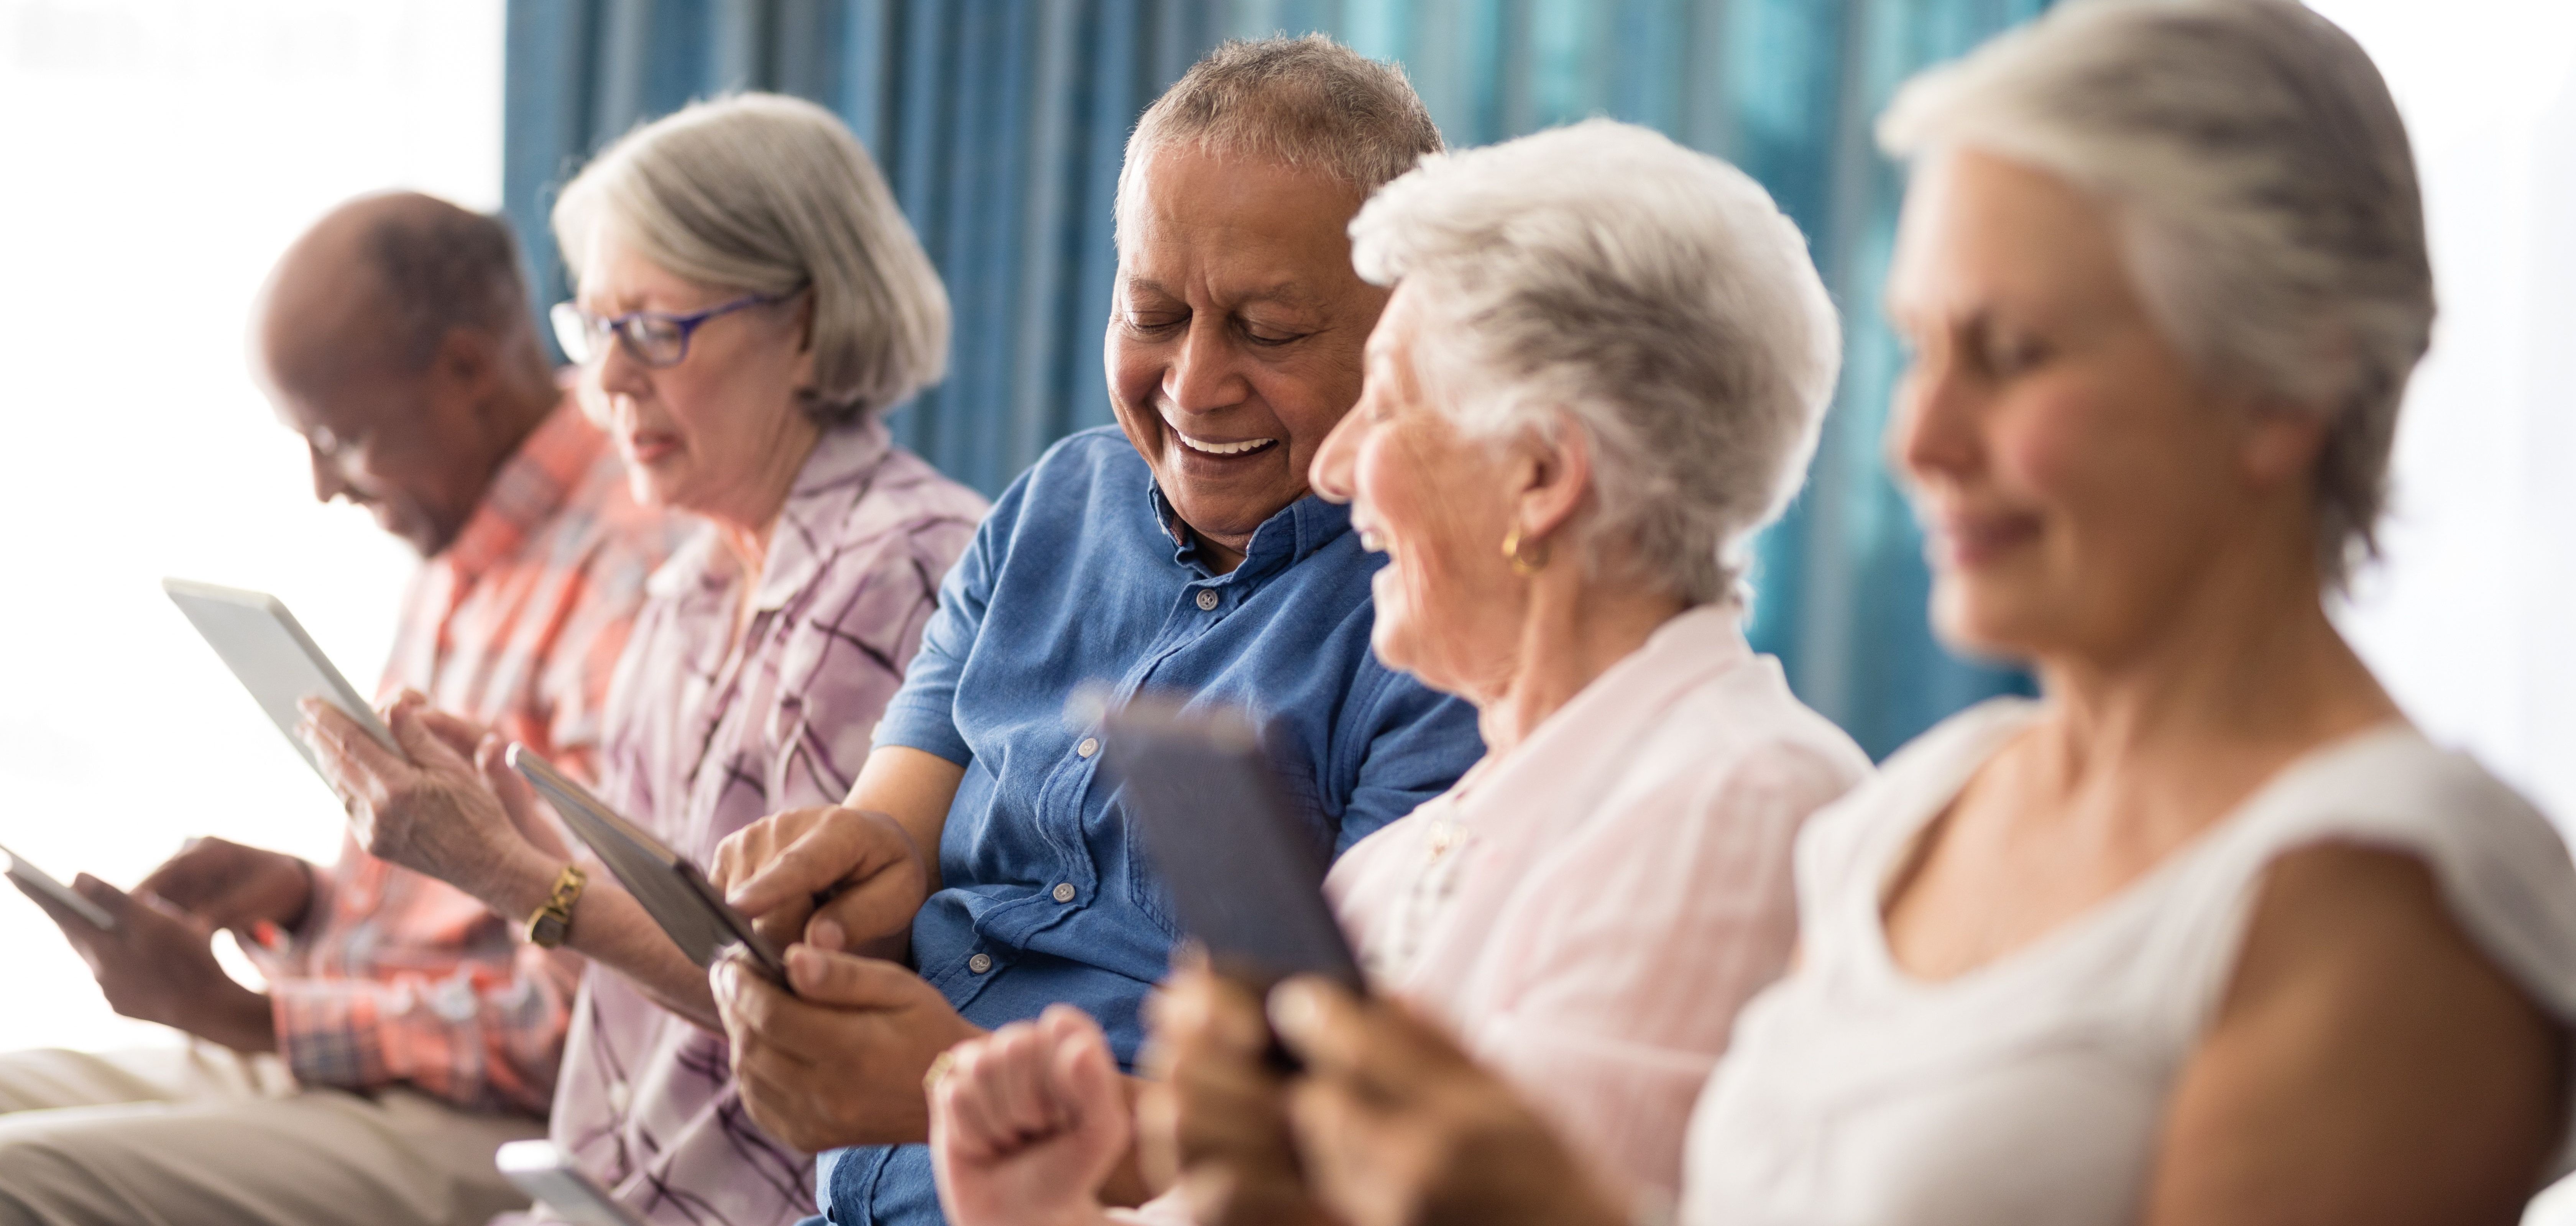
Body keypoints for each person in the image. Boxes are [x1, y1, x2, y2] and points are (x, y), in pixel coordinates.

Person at [1136, 3, 2576, 1226]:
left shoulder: (2387, 896)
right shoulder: (1922, 812)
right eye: (1919, 350)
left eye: (2010, 354)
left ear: (2284, 386)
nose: (1918, 442)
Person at [922, 118, 1875, 1226]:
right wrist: (1044, 1206)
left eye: (1386, 403)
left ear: (1539, 473)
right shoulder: (1399, 866)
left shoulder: (1737, 804)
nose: (1334, 465)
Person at [699, 36, 1487, 1226]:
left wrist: (937, 1082)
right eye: (1153, 314)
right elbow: (892, 843)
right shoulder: (1053, 508)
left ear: (1406, 330)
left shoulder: (1430, 628)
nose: (1195, 385)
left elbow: (1323, 1150)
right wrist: (833, 897)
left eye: (1269, 329)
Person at [298, 94, 986, 1226]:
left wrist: (519, 879)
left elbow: (803, 1001)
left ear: (808, 325)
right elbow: (626, 977)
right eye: (594, 329)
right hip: (596, 1189)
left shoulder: (905, 567)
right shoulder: (687, 587)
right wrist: (524, 835)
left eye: (654, 332)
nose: (607, 385)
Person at [0, 193, 678, 1226]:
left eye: (342, 436)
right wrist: (306, 900)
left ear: (465, 367)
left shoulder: (639, 573)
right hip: (348, 1059)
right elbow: (471, 912)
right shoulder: (466, 525)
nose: (324, 487)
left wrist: (249, 1015)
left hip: (485, 1117)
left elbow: (591, 1019)